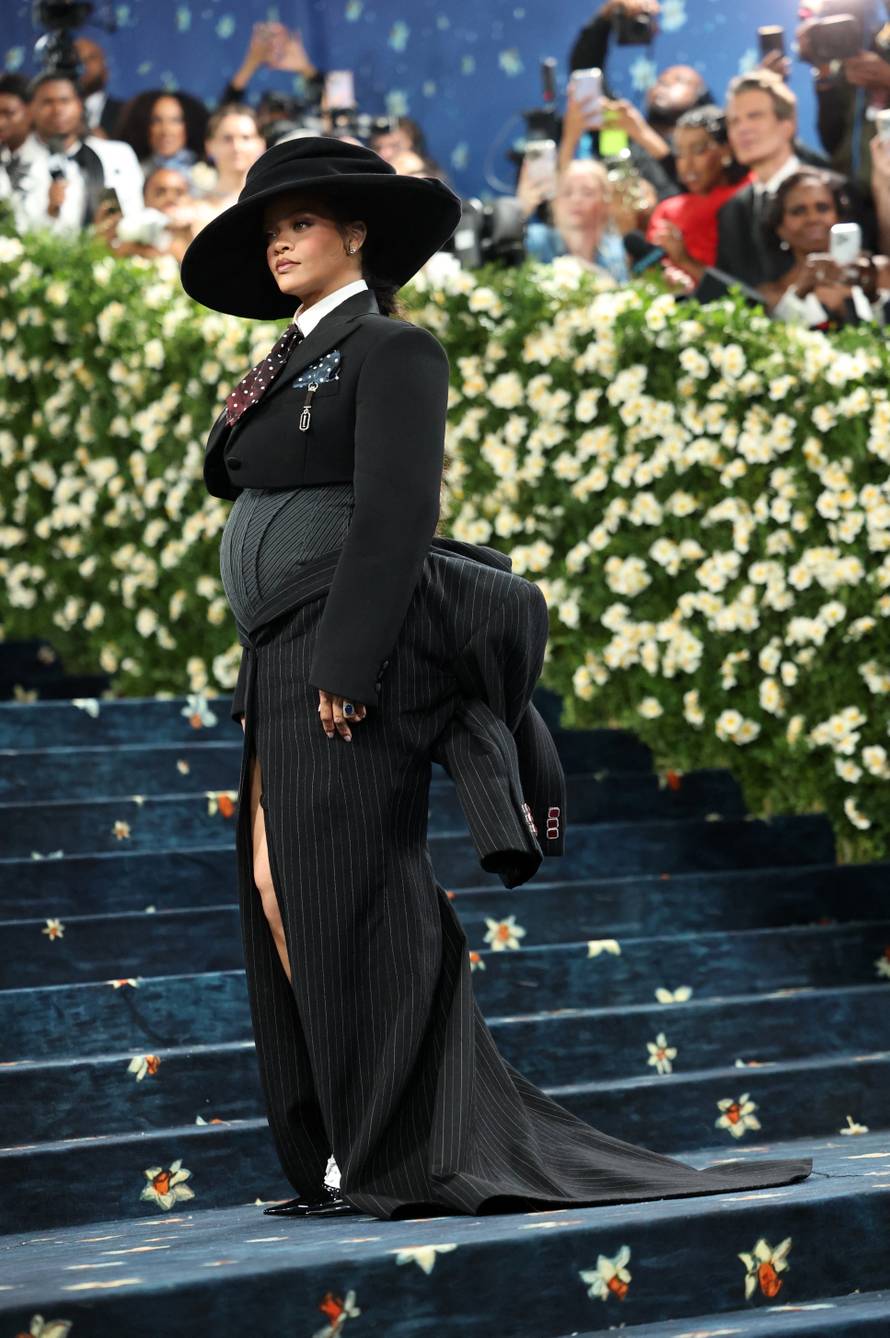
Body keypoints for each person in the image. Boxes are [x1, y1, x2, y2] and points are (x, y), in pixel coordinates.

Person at [178, 134, 812, 1221]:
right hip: (275, 658)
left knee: (353, 902)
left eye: (300, 222)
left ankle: (396, 1150)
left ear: (357, 233)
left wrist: (349, 658)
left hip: (340, 657)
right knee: (286, 900)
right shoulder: (288, 361)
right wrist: (270, 371)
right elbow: (217, 470)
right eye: (267, 229)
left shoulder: (393, 349)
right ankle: (343, 1147)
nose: (279, 241)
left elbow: (395, 514)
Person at [759, 166, 890, 326]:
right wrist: (798, 294)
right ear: (779, 228)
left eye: (823, 208)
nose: (813, 218)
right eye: (798, 211)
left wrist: (872, 297)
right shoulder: (771, 294)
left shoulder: (880, 274)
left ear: (839, 216)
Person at [13, 71, 143, 233]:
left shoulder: (118, 155)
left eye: (65, 101)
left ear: (80, 105)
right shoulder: (15, 162)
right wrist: (50, 211)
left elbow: (135, 214)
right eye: (47, 102)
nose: (57, 110)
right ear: (30, 109)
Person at [646, 105, 751, 287]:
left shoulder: (750, 196)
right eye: (679, 153)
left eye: (699, 150)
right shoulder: (668, 211)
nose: (687, 164)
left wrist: (685, 261)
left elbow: (746, 291)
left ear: (726, 150)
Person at [519, 156, 629, 281]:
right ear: (554, 201)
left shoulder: (615, 249)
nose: (576, 200)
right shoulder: (535, 240)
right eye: (567, 192)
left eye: (587, 192)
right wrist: (520, 211)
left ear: (605, 201)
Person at [114, 88, 208, 177]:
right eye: (157, 121)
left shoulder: (204, 173)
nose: (166, 130)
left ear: (189, 125)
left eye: (175, 120)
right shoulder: (135, 173)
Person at [73, 35, 123, 139]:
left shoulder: (125, 113)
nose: (84, 64)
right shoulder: (52, 114)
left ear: (106, 68)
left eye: (91, 58)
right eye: (76, 59)